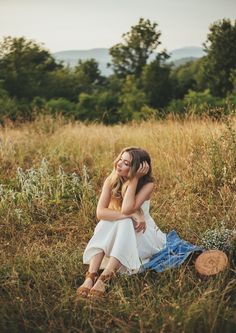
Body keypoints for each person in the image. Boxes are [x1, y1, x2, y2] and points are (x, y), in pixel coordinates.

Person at [77, 147, 167, 298]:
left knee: (123, 221)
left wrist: (135, 179)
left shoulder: (148, 184)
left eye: (126, 163)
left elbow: (126, 209)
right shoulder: (111, 180)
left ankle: (105, 278)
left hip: (142, 234)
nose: (119, 164)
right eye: (120, 159)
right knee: (109, 222)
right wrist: (132, 216)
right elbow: (100, 213)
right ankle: (90, 276)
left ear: (137, 169)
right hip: (118, 229)